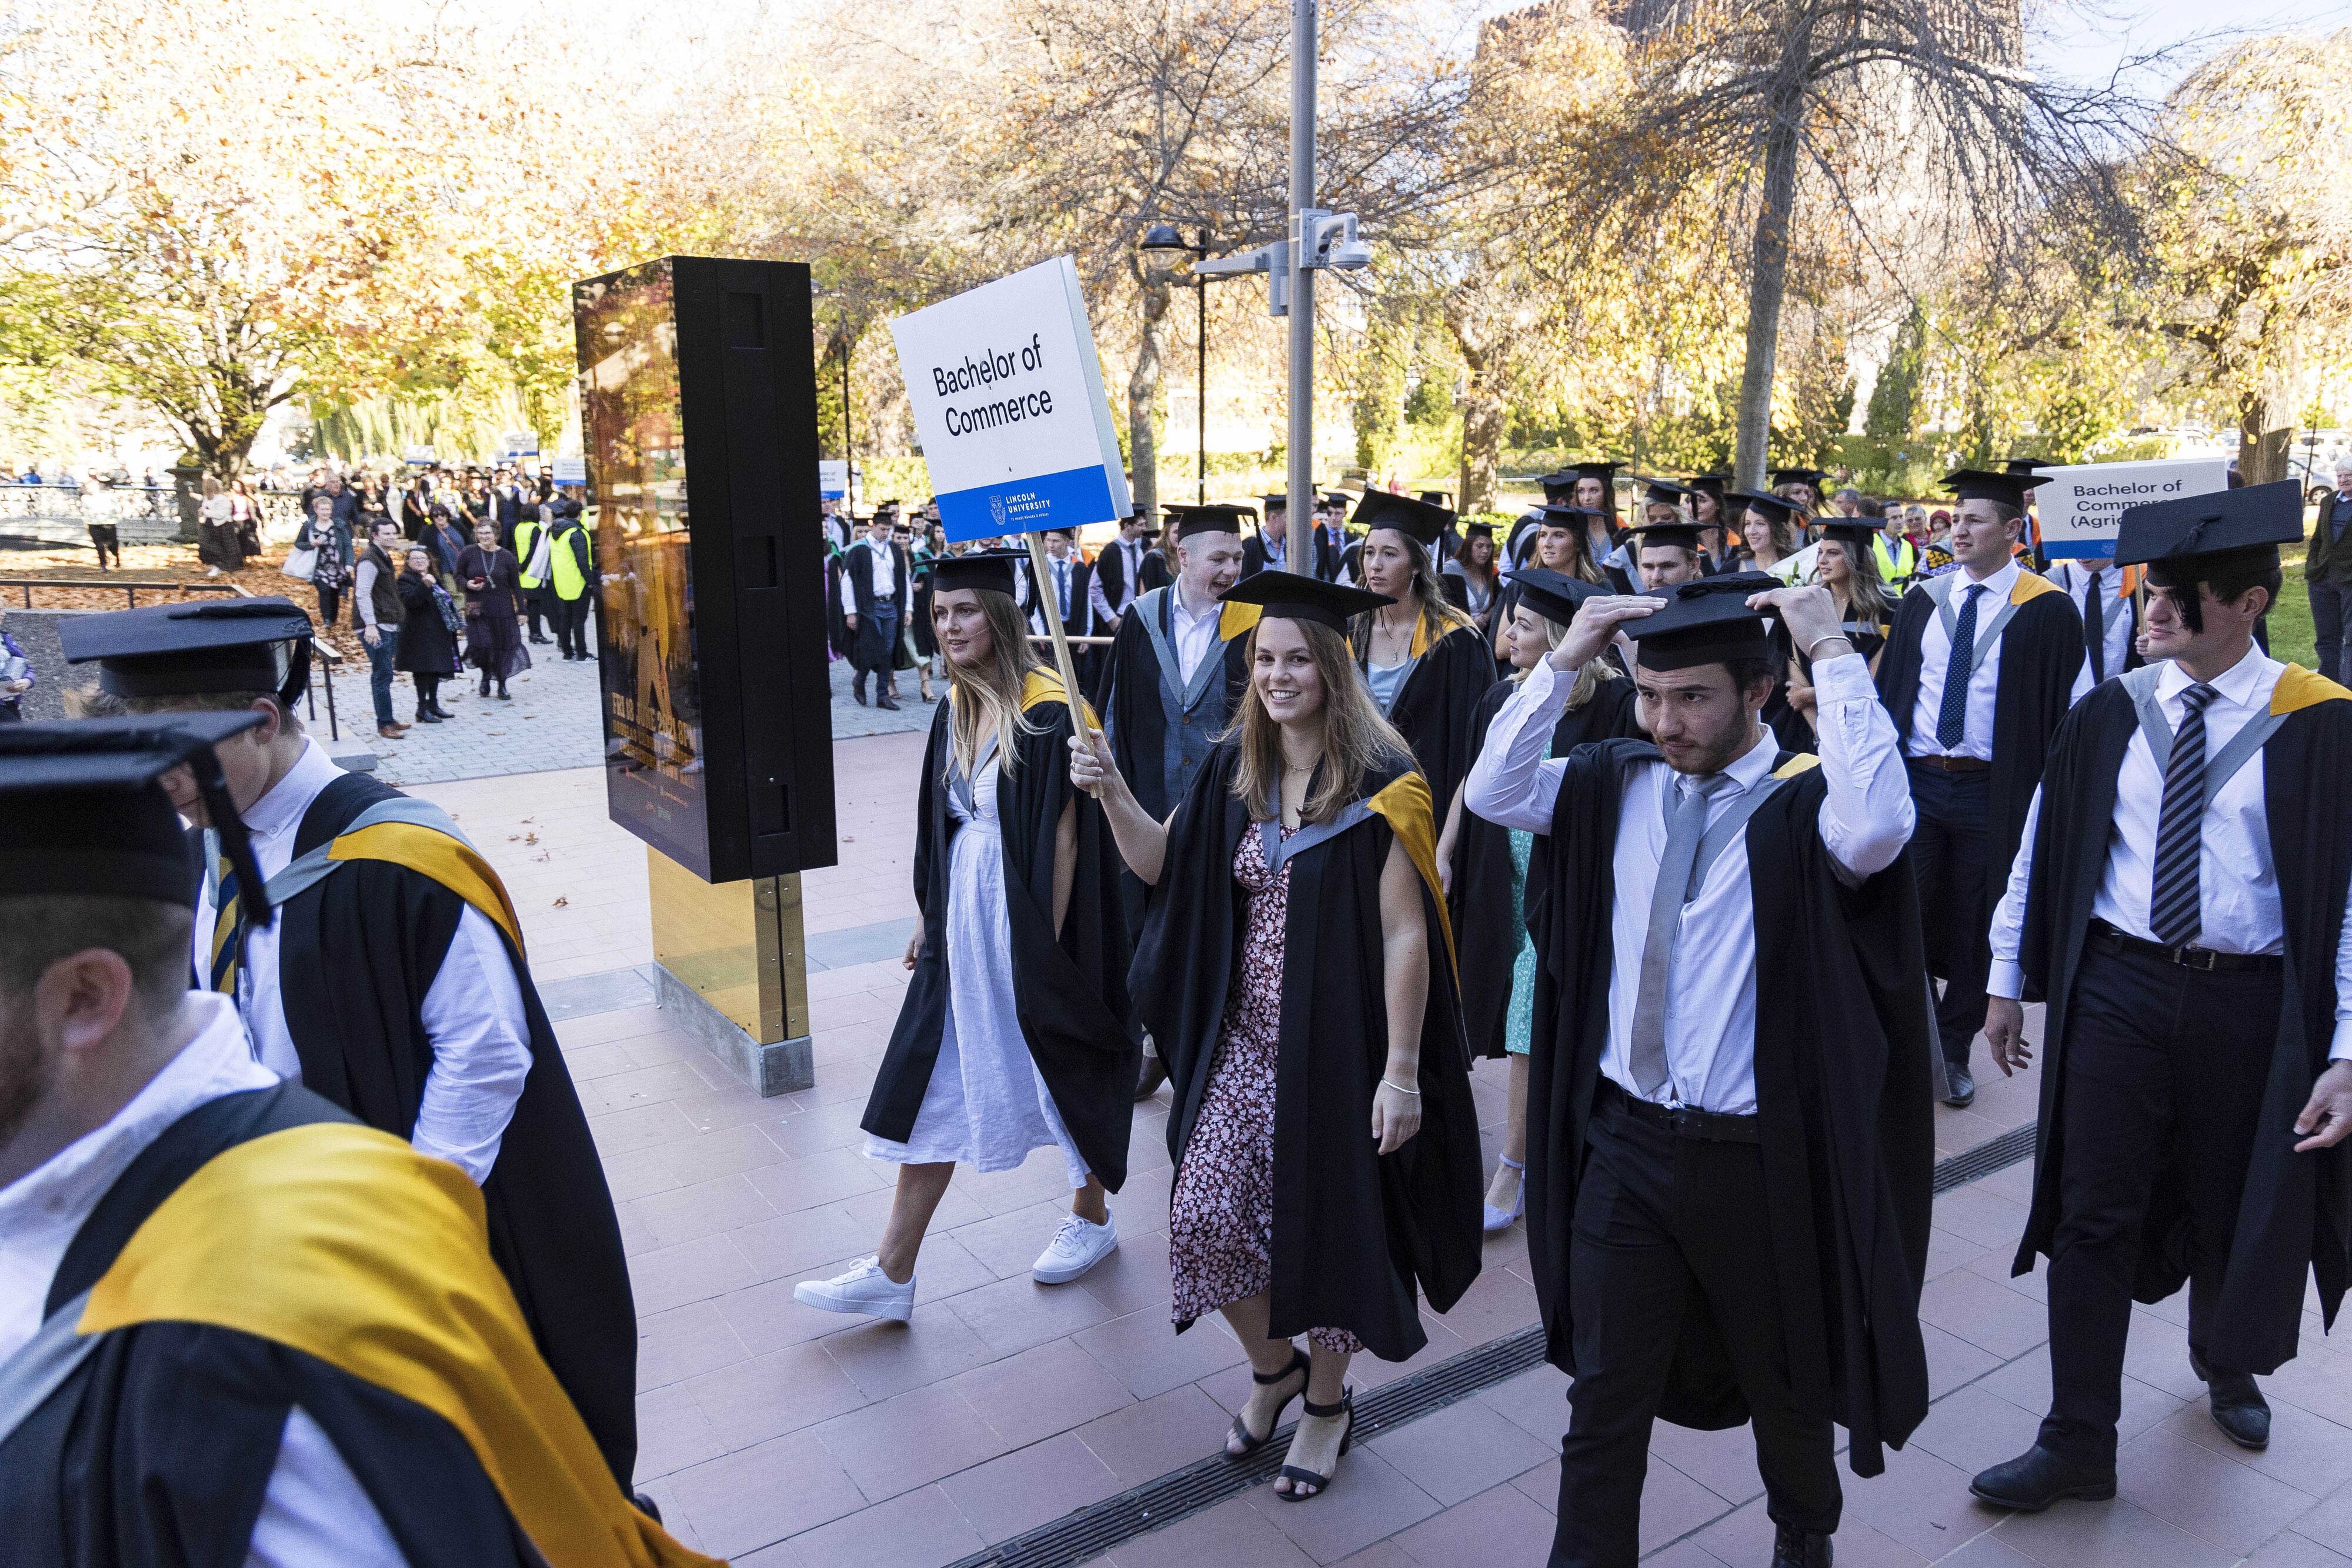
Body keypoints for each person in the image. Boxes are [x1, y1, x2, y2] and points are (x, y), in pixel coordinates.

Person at [0, 713, 707, 1567]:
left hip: (349, 1202)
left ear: (84, 997)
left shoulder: (256, 1366)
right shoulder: (199, 860)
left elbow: (486, 1051)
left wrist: (411, 1208)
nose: (179, 783)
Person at [51, 602, 642, 1490]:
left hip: (415, 1221)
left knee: (497, 1460)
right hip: (293, 1207)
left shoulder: (401, 857)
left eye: (174, 753)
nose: (158, 781)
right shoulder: (214, 841)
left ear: (260, 719)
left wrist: (400, 1221)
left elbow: (484, 1056)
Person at [1464, 573, 1933, 1568]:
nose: (1665, 721)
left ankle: (1800, 1538)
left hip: (1752, 1161)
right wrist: (1560, 664)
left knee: (1787, 1389)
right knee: (1601, 1403)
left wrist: (1834, 653)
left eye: (1691, 698)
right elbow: (1492, 792)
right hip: (1625, 1146)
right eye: (1647, 695)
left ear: (1757, 692)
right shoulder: (1610, 783)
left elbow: (1880, 828)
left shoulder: (1804, 805)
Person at [1970, 480, 2352, 1511]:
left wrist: (2347, 1049)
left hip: (2251, 1005)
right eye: (2150, 590)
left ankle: (2225, 1360)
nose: (2152, 609)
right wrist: (2004, 980)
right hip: (2118, 989)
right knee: (2090, 1214)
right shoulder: (2107, 711)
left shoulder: (2320, 725)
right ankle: (2074, 1437)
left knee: (2232, 1199)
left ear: (2243, 603)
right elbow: (2037, 852)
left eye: (2177, 594)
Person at [1073, 570, 1483, 1502]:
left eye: (1298, 658)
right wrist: (1108, 794)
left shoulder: (1385, 784)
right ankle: (1275, 1370)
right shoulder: (1233, 768)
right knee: (1202, 1215)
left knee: (1330, 1230)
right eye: (1264, 658)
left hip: (1338, 1048)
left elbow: (1404, 932)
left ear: (1334, 669)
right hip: (1243, 1044)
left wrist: (1404, 1072)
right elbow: (1159, 866)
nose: (1278, 674)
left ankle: (1329, 1406)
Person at [797, 551, 1137, 1321]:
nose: (949, 626)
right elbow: (945, 819)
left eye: (965, 611)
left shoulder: (1050, 711)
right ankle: (893, 1270)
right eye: (940, 613)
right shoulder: (957, 704)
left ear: (1003, 616)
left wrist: (1042, 955)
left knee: (1060, 1067)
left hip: (1027, 927)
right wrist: (929, 910)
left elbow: (1063, 845)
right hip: (965, 917)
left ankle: (1090, 1217)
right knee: (933, 1075)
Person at [1438, 568, 1640, 1231]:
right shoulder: (1505, 694)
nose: (1507, 633)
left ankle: (1515, 1165)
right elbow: (1476, 771)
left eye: (1522, 624)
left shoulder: (1610, 701)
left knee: (1533, 1019)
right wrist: (1444, 846)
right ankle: (1530, 1156)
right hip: (1505, 876)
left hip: (1570, 882)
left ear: (1557, 634)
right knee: (1522, 1016)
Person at [1875, 468, 2082, 1108]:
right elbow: (1895, 695)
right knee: (1902, 908)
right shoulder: (1922, 601)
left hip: (1994, 789)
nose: (1956, 530)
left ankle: (1952, 1044)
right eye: (1955, 518)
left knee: (1977, 921)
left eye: (1974, 521)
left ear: (2013, 530)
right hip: (1918, 782)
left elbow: (2064, 715)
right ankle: (1900, 1038)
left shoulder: (2047, 610)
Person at [1351, 489, 1496, 816]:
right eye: (1369, 552)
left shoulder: (1455, 639)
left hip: (1428, 802)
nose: (1375, 565)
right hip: (1354, 800)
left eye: (1389, 554)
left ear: (1417, 564)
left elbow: (1470, 743)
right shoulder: (1351, 632)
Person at [1781, 519, 1896, 742]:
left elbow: (1870, 679)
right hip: (1807, 728)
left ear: (1857, 558)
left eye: (1833, 553)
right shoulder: (1806, 603)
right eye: (1820, 552)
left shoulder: (1888, 611)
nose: (1822, 561)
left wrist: (1810, 695)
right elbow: (1795, 672)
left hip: (1863, 726)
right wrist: (1820, 735)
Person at [2043, 550, 2140, 700]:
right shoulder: (2050, 584)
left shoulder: (2142, 582)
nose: (2083, 555)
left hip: (2126, 698)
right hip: (2068, 700)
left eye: (2093, 547)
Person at [839, 511, 910, 709]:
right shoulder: (859, 550)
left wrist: (908, 609)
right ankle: (859, 681)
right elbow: (847, 581)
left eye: (889, 530)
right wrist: (851, 612)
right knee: (870, 648)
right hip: (869, 608)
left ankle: (882, 696)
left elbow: (903, 579)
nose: (886, 533)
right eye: (882, 529)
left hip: (891, 606)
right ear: (873, 526)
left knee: (887, 650)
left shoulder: (894, 550)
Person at [459, 515, 526, 700]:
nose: (484, 537)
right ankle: (486, 674)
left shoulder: (506, 556)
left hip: (502, 608)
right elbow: (458, 576)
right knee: (481, 646)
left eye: (487, 533)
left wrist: (522, 610)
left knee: (502, 647)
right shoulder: (468, 552)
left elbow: (516, 586)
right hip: (477, 609)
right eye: (480, 533)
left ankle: (502, 683)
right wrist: (468, 584)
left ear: (496, 534)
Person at [354, 517, 407, 741]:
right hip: (375, 627)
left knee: (385, 672)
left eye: (394, 533)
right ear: (374, 535)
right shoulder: (369, 560)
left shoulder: (382, 556)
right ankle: (384, 724)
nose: (392, 537)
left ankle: (388, 718)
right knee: (382, 674)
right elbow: (362, 593)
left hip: (386, 623)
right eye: (386, 534)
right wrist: (370, 625)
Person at [395, 545, 459, 725]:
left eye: (423, 558)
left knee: (436, 669)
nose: (419, 561)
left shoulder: (435, 578)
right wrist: (425, 585)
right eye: (415, 559)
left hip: (438, 630)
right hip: (418, 633)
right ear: (408, 563)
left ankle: (434, 705)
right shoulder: (405, 580)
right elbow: (410, 602)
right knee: (422, 671)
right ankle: (422, 709)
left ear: (429, 561)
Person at [2303, 456, 2352, 683]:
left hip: (2349, 580)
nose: (2343, 480)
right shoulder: (2329, 501)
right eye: (2340, 475)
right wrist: (2312, 565)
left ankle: (2348, 685)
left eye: (2348, 475)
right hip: (2322, 578)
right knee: (2326, 636)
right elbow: (2317, 539)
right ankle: (2329, 681)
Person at [1087, 508, 1160, 640]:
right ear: (1127, 526)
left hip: (1145, 618)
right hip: (1119, 617)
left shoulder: (1146, 546)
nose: (1144, 528)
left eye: (1145, 524)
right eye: (1140, 525)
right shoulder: (1110, 552)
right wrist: (1111, 618)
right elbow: (1094, 588)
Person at [548, 500, 598, 662]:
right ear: (580, 514)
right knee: (579, 620)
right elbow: (582, 561)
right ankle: (582, 654)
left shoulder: (555, 531)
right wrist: (590, 581)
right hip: (578, 582)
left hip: (562, 582)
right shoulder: (577, 533)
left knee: (565, 618)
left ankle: (567, 653)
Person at [1439, 519, 1502, 632]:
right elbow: (1443, 607)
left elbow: (1500, 601)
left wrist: (1485, 617)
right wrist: (1471, 621)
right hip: (1454, 633)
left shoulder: (1490, 573)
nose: (1485, 551)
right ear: (1468, 546)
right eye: (1480, 546)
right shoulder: (1450, 570)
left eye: (1489, 546)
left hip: (1482, 636)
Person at [302, 493, 350, 633]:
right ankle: (327, 619)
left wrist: (348, 563)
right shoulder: (309, 526)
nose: (326, 513)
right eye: (323, 510)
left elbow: (347, 545)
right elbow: (299, 543)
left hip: (336, 566)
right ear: (316, 510)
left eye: (328, 510)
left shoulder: (338, 525)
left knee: (334, 593)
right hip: (319, 566)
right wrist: (312, 544)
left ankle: (333, 617)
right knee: (324, 591)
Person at [1731, 489, 1803, 579]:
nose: (1751, 531)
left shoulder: (1797, 566)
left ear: (1779, 528)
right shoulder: (1733, 568)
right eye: (1748, 524)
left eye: (1760, 524)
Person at [515, 502, 556, 645]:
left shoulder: (519, 527)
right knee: (535, 606)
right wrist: (526, 566)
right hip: (533, 571)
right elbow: (535, 551)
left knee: (530, 604)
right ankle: (536, 634)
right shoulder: (536, 529)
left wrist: (519, 567)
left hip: (522, 572)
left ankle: (534, 633)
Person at [196, 473, 240, 576]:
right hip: (209, 525)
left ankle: (220, 566)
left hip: (222, 526)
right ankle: (217, 565)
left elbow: (220, 515)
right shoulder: (207, 498)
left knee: (222, 547)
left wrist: (205, 512)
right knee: (205, 545)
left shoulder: (222, 499)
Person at [1241, 493, 1295, 576]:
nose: (1292, 521)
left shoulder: (1288, 544)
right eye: (1287, 517)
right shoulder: (1250, 546)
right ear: (1273, 517)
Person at [0, 602, 32, 720]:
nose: (3, 614)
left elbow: (27, 667)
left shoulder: (5, 639)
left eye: (3, 610)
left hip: (10, 702)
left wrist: (26, 681)